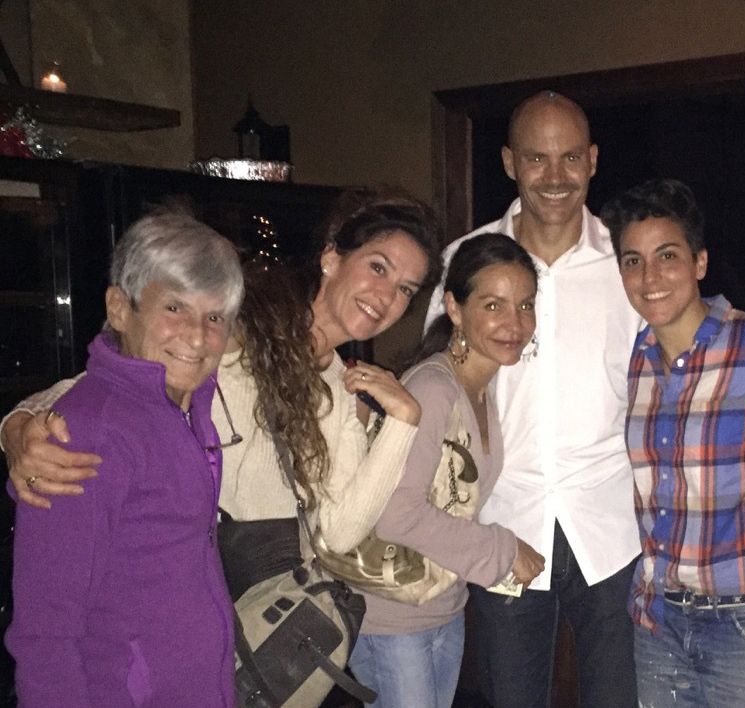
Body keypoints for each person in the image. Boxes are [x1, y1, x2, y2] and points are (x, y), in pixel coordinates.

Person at [0, 192, 443, 702]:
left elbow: (340, 532)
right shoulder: (245, 325)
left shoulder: (342, 388)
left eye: (406, 289)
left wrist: (403, 422)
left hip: (248, 615)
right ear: (331, 257)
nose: (386, 296)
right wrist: (21, 423)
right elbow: (119, 378)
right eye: (379, 268)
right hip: (155, 601)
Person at [423, 91, 642, 707]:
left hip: (612, 529)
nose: (555, 176)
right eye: (536, 158)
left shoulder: (628, 267)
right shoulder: (463, 262)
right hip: (503, 522)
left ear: (593, 160)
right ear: (508, 162)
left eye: (570, 157)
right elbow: (441, 386)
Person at [5, 212, 244, 706]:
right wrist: (15, 425)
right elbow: (45, 633)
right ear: (119, 307)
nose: (197, 336)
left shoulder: (189, 404)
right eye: (174, 307)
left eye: (215, 316)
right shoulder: (84, 435)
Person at [600, 178, 745, 706]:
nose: (649, 276)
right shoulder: (629, 362)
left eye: (667, 256)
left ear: (699, 263)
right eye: (632, 261)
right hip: (658, 617)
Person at [347, 233, 546, 708]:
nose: (514, 323)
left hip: (440, 607)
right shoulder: (434, 389)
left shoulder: (478, 389)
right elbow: (394, 511)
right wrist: (503, 549)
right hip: (391, 617)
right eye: (494, 306)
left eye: (525, 305)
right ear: (455, 309)